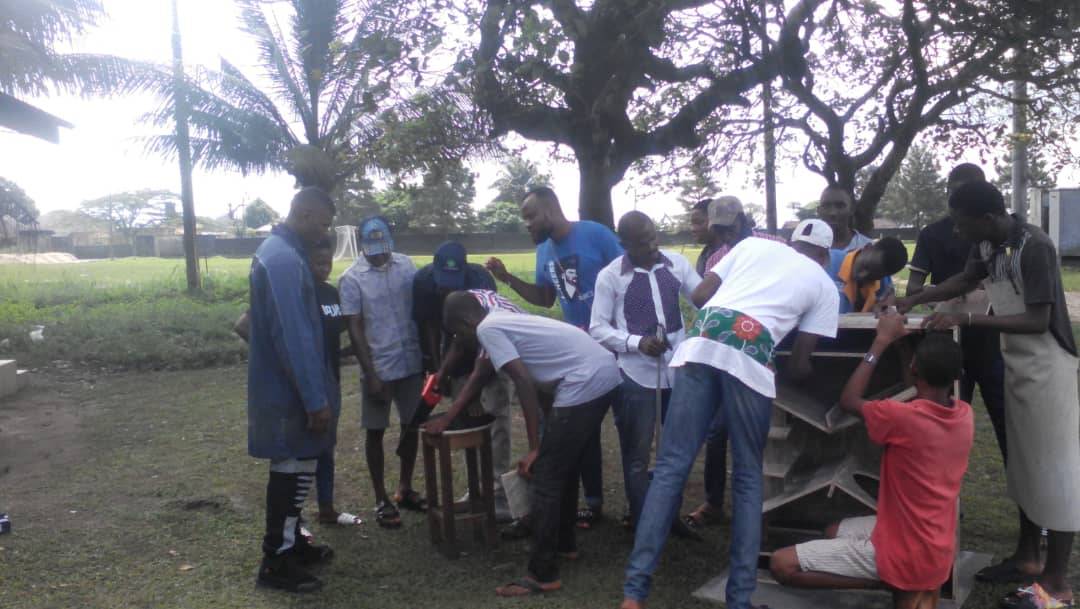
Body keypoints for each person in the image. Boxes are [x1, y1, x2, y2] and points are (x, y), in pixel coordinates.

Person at [621, 219, 840, 609]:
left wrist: (738, 305)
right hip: (751, 355)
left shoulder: (753, 245)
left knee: (671, 467)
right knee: (746, 479)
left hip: (701, 341)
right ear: (825, 254)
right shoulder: (824, 284)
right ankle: (739, 600)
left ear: (793, 242)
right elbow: (802, 364)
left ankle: (634, 593)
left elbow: (702, 293)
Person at [897, 181, 1080, 609]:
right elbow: (965, 278)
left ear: (988, 218)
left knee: (1055, 472)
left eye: (962, 224)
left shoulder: (1033, 246)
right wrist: (917, 299)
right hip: (1017, 364)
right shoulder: (989, 246)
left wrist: (968, 318)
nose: (956, 232)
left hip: (1048, 366)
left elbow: (1037, 320)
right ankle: (1028, 558)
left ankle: (1057, 584)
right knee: (1023, 467)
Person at [769, 317, 974, 609]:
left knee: (781, 564)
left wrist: (880, 342)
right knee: (833, 530)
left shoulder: (901, 418)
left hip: (904, 555)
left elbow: (849, 400)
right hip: (935, 545)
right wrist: (904, 348)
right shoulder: (963, 415)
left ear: (917, 370)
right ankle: (897, 578)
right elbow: (915, 392)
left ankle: (884, 580)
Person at [441, 292, 621, 598]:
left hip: (585, 380)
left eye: (459, 333)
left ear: (467, 321)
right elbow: (539, 379)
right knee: (563, 466)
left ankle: (542, 574)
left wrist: (536, 447)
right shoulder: (503, 319)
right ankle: (565, 545)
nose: (462, 340)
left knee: (546, 477)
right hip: (602, 372)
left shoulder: (488, 329)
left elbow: (522, 381)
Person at [486, 186, 623, 529]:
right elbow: (546, 297)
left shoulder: (595, 234)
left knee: (627, 425)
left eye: (530, 216)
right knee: (581, 428)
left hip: (619, 346)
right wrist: (507, 279)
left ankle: (636, 507)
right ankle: (591, 504)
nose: (528, 224)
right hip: (580, 354)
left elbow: (628, 276)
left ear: (549, 210)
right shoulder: (545, 250)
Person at [234, 236, 362, 528]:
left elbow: (342, 333)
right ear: (305, 261)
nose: (323, 268)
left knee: (325, 447)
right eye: (317, 262)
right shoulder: (294, 292)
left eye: (327, 262)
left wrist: (341, 356)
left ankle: (327, 508)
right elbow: (244, 324)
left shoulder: (331, 294)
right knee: (296, 455)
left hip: (329, 382)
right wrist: (277, 358)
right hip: (300, 388)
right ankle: (295, 519)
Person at [246, 187, 338, 593]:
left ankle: (293, 541)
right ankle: (276, 560)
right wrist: (313, 399)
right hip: (288, 393)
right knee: (290, 468)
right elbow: (293, 335)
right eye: (321, 224)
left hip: (291, 388)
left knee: (301, 466)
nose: (324, 233)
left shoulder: (283, 252)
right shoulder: (282, 259)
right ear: (302, 213)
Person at [589, 211, 701, 531]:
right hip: (636, 376)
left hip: (677, 372)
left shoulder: (676, 265)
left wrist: (693, 340)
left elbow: (702, 302)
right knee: (637, 456)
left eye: (653, 236)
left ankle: (671, 518)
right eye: (642, 242)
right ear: (624, 244)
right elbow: (598, 327)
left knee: (676, 450)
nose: (652, 245)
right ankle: (642, 521)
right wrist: (636, 342)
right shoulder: (610, 276)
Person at [684, 196, 785, 531]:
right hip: (731, 355)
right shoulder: (717, 258)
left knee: (769, 431)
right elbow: (707, 307)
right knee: (718, 430)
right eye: (719, 230)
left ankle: (771, 503)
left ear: (742, 219)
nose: (725, 236)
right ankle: (715, 503)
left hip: (773, 348)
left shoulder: (775, 246)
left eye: (728, 228)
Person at [906, 163, 1007, 461]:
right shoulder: (933, 234)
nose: (960, 229)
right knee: (944, 427)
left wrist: (982, 297)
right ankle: (948, 503)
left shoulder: (1002, 237)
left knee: (1007, 424)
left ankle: (1024, 501)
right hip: (947, 343)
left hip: (992, 342)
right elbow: (915, 289)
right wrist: (941, 299)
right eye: (957, 193)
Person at [412, 242, 514, 520]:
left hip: (494, 353)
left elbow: (487, 352)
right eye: (443, 285)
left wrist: (470, 397)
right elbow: (437, 329)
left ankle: (499, 492)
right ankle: (477, 488)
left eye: (453, 284)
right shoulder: (422, 282)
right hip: (460, 348)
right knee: (469, 422)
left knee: (495, 416)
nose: (447, 290)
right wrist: (438, 370)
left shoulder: (481, 282)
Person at [339, 216, 427, 530]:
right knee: (375, 431)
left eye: (384, 248)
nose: (380, 255)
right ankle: (381, 498)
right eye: (373, 249)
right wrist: (371, 373)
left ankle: (405, 487)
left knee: (411, 426)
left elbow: (418, 309)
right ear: (363, 246)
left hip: (411, 361)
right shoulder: (351, 279)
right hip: (379, 366)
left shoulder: (407, 266)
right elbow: (355, 327)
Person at [830, 236, 908, 313]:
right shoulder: (827, 262)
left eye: (871, 277)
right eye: (865, 266)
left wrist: (886, 307)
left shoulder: (884, 281)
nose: (862, 275)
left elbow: (890, 303)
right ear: (867, 248)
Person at [818, 185, 872, 255]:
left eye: (840, 206)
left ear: (852, 209)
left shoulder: (870, 249)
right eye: (826, 206)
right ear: (819, 211)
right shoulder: (806, 250)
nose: (832, 213)